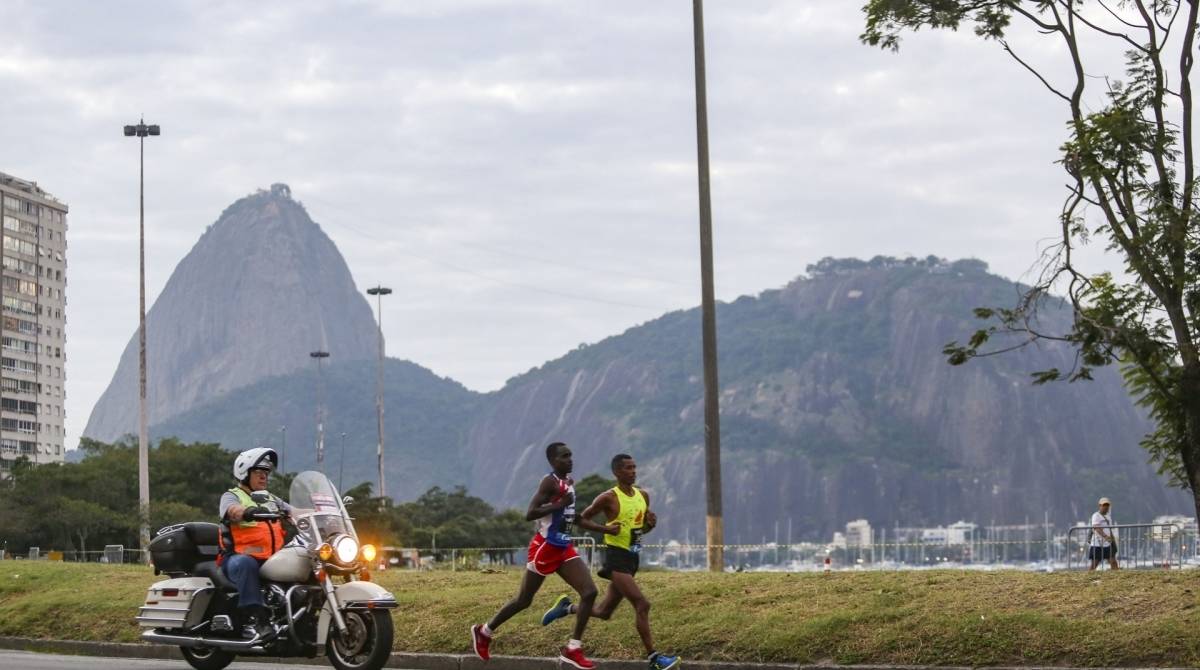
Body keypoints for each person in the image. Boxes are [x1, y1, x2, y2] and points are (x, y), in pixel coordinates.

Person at [471, 442, 612, 669]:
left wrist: (604, 529)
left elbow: (570, 516)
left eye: (571, 455)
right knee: (524, 600)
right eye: (565, 457)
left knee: (589, 592)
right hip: (545, 547)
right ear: (553, 461)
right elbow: (531, 513)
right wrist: (558, 504)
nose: (570, 460)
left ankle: (573, 648)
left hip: (563, 546)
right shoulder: (550, 482)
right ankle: (484, 631)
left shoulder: (568, 482)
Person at [542, 453, 680, 670]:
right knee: (642, 604)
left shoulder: (643, 496)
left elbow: (638, 529)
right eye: (627, 468)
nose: (633, 471)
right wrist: (605, 529)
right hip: (616, 558)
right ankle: (654, 659)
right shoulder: (608, 497)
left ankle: (567, 607)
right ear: (616, 472)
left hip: (632, 557)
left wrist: (649, 526)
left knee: (604, 612)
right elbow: (582, 519)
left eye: (634, 467)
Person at [217, 447, 293, 639]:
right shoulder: (232, 496)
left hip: (271, 559)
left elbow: (294, 511)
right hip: (237, 558)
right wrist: (246, 511)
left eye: (266, 473)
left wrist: (319, 511)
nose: (264, 477)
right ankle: (258, 619)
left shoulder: (270, 499)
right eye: (258, 472)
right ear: (244, 473)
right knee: (246, 563)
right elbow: (231, 510)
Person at [1088, 496, 1119, 571]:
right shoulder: (1096, 515)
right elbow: (1096, 527)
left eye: (1107, 505)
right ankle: (1087, 578)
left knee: (1113, 561)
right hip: (1097, 543)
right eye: (1104, 505)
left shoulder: (1108, 516)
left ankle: (1116, 576)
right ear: (1100, 506)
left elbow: (1109, 529)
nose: (1106, 507)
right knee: (1094, 564)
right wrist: (1105, 536)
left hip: (1107, 543)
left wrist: (1112, 540)